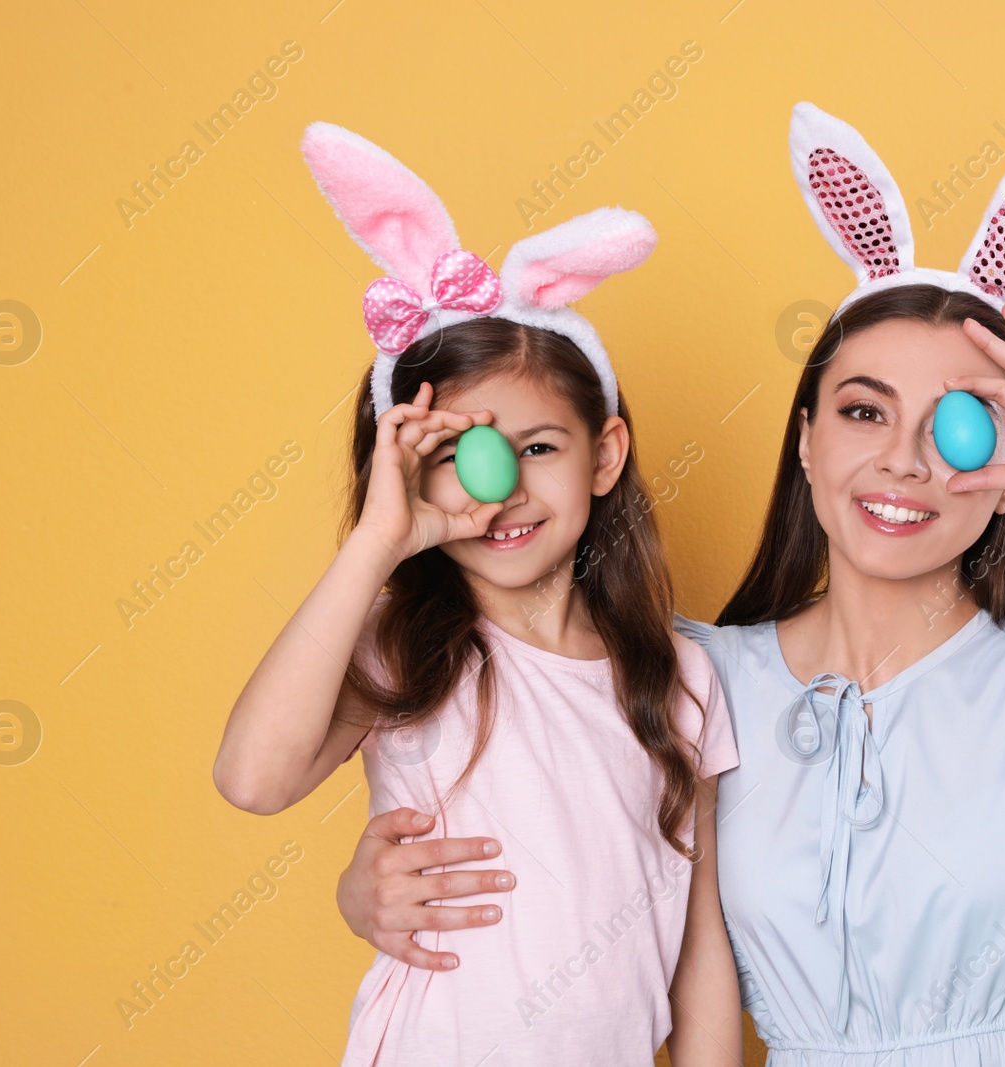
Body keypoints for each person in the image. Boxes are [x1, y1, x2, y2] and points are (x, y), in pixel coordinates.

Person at [330, 104, 1005, 1064]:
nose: (906, 458)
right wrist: (364, 893)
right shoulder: (695, 677)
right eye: (862, 409)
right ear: (805, 440)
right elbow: (566, 870)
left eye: (962, 422)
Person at [212, 122, 741, 1066]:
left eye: (537, 449)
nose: (497, 490)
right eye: (456, 457)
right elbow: (252, 780)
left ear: (605, 454)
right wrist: (377, 541)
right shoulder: (407, 646)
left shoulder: (683, 674)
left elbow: (702, 947)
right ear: (405, 470)